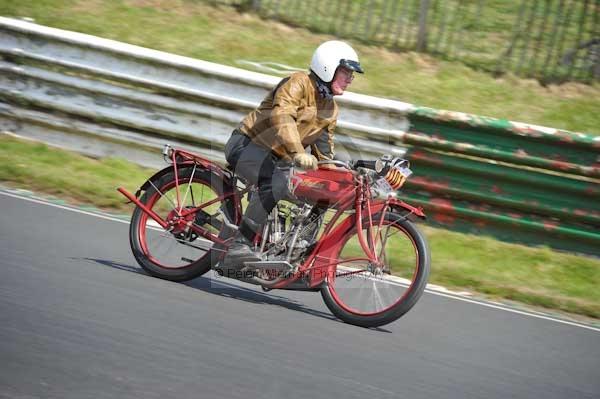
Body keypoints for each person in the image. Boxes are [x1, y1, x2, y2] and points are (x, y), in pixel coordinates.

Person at [222, 40, 363, 267]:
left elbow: (325, 152)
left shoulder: (330, 108)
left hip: (279, 159)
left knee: (325, 188)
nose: (349, 79)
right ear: (328, 67)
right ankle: (239, 245)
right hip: (247, 145)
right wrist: (297, 152)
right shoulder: (297, 83)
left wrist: (347, 175)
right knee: (276, 180)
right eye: (346, 72)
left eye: (351, 74)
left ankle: (300, 249)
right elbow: (283, 117)